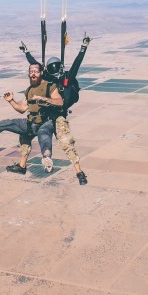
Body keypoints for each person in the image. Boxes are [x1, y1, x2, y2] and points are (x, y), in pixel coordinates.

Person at [20, 35, 90, 185]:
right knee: (27, 134)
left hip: (58, 116)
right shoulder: (48, 77)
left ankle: (79, 172)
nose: (54, 71)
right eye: (52, 68)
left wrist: (83, 48)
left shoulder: (66, 78)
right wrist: (26, 53)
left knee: (66, 143)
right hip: (47, 115)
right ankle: (22, 165)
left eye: (55, 68)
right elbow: (34, 64)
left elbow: (76, 64)